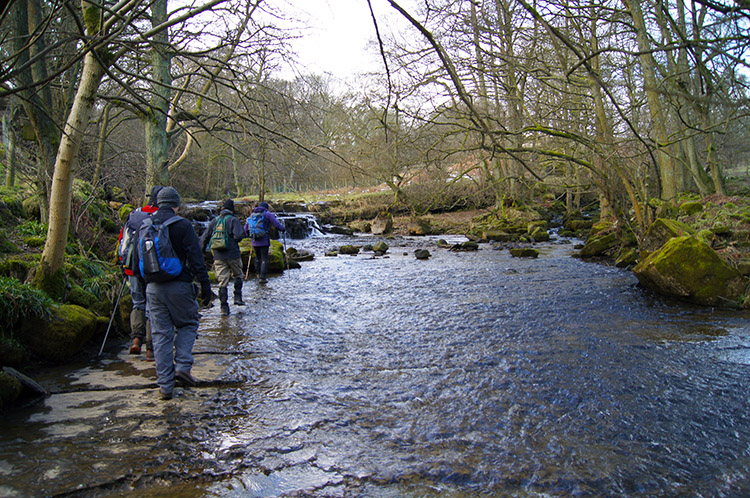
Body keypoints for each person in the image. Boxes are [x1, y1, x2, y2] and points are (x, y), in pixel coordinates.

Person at [146, 186, 212, 400]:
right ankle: (183, 366)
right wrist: (206, 285)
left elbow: (133, 256)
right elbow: (196, 258)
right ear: (176, 204)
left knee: (161, 335)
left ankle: (165, 387)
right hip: (180, 285)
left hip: (152, 287)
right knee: (189, 324)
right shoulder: (183, 225)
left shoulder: (146, 224)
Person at [118, 185, 161, 359]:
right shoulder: (160, 217)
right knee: (152, 305)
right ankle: (151, 347)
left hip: (131, 266)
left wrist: (123, 263)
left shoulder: (134, 214)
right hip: (150, 267)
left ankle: (136, 339)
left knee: (138, 302)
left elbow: (122, 239)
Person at [199, 199, 246, 316]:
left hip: (218, 256)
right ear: (232, 209)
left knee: (222, 282)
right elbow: (238, 236)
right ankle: (237, 297)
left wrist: (203, 251)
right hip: (233, 254)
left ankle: (224, 307)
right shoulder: (233, 220)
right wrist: (233, 242)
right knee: (238, 275)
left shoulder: (214, 221)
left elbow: (204, 238)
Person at [245, 201, 285, 284]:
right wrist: (282, 229)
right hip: (264, 240)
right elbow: (276, 224)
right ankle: (262, 278)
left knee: (257, 257)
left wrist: (249, 235)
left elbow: (246, 227)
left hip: (254, 240)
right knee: (264, 259)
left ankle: (258, 274)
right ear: (266, 208)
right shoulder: (267, 214)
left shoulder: (252, 214)